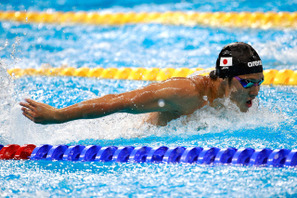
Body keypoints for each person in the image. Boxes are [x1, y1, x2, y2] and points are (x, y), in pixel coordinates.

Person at [20, 42, 264, 126]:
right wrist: (59, 115)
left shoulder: (237, 102)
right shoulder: (184, 92)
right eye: (247, 83)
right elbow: (118, 101)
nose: (255, 91)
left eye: (259, 83)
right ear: (224, 78)